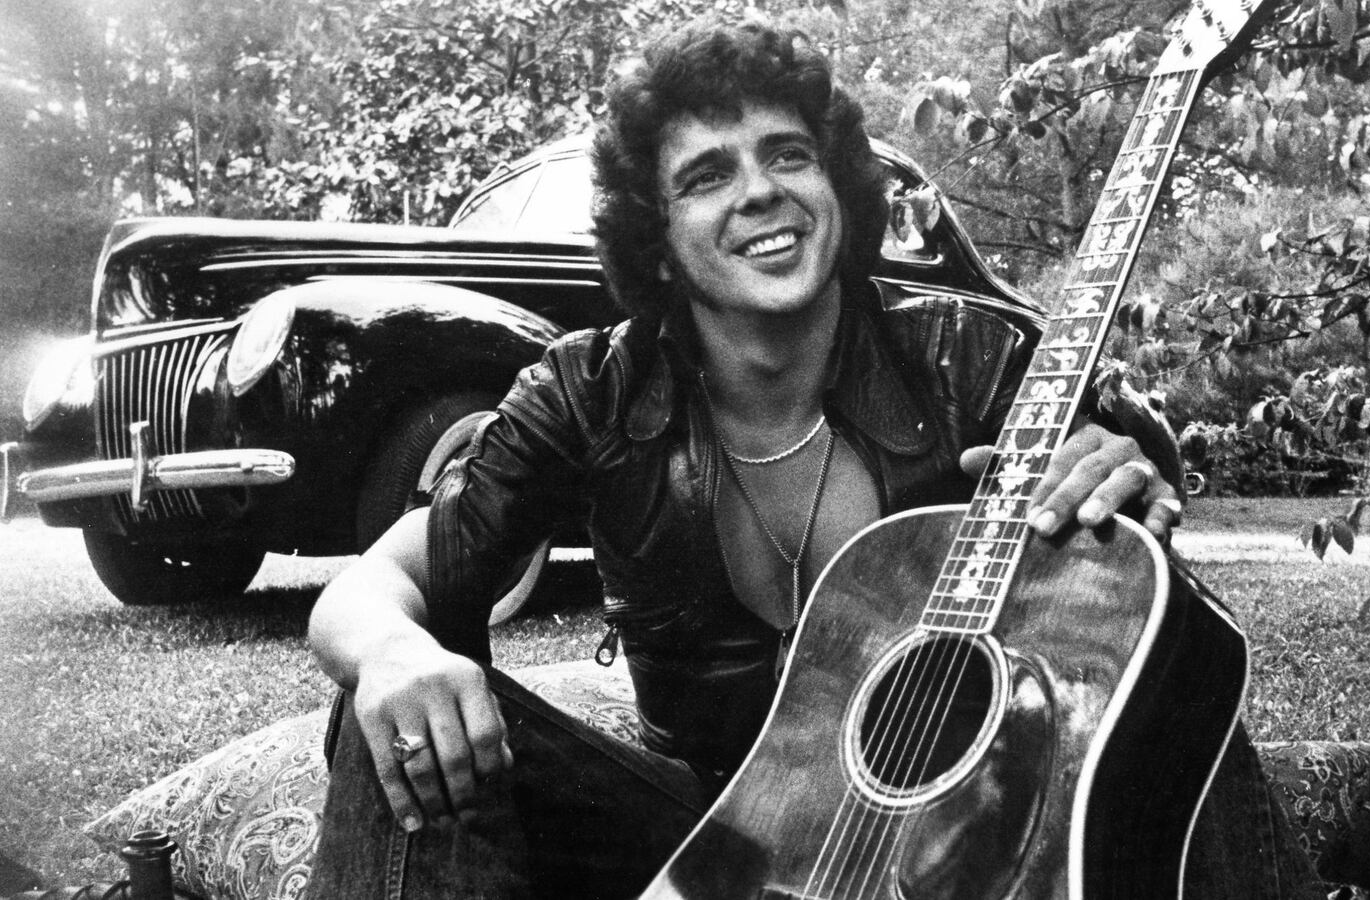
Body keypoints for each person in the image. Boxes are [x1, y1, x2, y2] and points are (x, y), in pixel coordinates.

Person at [305, 19, 1316, 900]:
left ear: (835, 187)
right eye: (707, 176)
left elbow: (1130, 502)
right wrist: (396, 653)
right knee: (390, 711)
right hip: (708, 843)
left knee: (1178, 679)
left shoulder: (975, 361)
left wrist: (1118, 496)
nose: (759, 193)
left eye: (787, 156)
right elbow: (373, 587)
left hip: (958, 841)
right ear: (657, 243)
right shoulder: (593, 391)